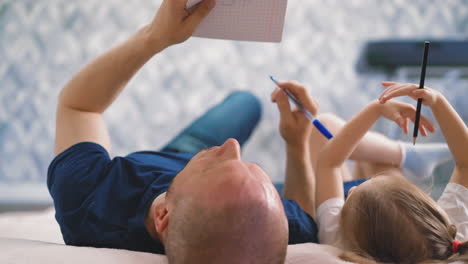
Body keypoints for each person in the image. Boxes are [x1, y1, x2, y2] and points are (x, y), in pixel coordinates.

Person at [47, 0, 318, 263]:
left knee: (245, 103)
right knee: (247, 102)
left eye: (217, 168)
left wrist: (155, 36)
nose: (233, 146)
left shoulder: (87, 199)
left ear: (163, 215)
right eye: (249, 166)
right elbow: (305, 215)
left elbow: (79, 107)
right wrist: (296, 143)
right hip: (208, 176)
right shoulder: (268, 226)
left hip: (184, 150)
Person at [294, 80, 468, 263]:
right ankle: (405, 154)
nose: (352, 189)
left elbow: (328, 162)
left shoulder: (336, 236)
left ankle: (404, 154)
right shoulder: (452, 242)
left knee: (378, 162)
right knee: (379, 168)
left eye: (352, 194)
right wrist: (438, 102)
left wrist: (377, 108)